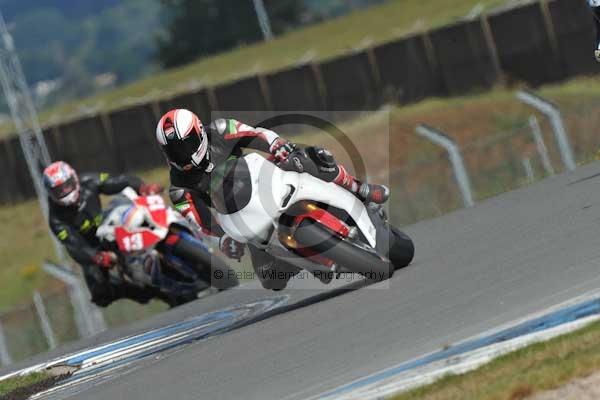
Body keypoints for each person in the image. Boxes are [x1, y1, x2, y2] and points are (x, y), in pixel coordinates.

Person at [155, 109, 390, 289]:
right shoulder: (178, 189)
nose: (182, 155)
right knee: (270, 279)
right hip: (242, 215)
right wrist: (224, 241)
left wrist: (277, 145)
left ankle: (360, 189)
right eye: (174, 150)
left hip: (263, 178)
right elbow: (202, 224)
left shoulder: (220, 129)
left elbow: (257, 134)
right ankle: (312, 260)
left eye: (185, 145)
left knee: (308, 158)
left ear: (198, 132)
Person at [43, 161, 164, 307]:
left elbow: (119, 181)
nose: (65, 192)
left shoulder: (89, 181)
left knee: (138, 218)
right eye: (59, 190)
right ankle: (140, 291)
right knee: (100, 295)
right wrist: (96, 257)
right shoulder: (56, 219)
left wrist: (142, 188)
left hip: (108, 228)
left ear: (74, 178)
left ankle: (163, 245)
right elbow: (73, 246)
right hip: (91, 248)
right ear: (51, 193)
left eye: (67, 185)